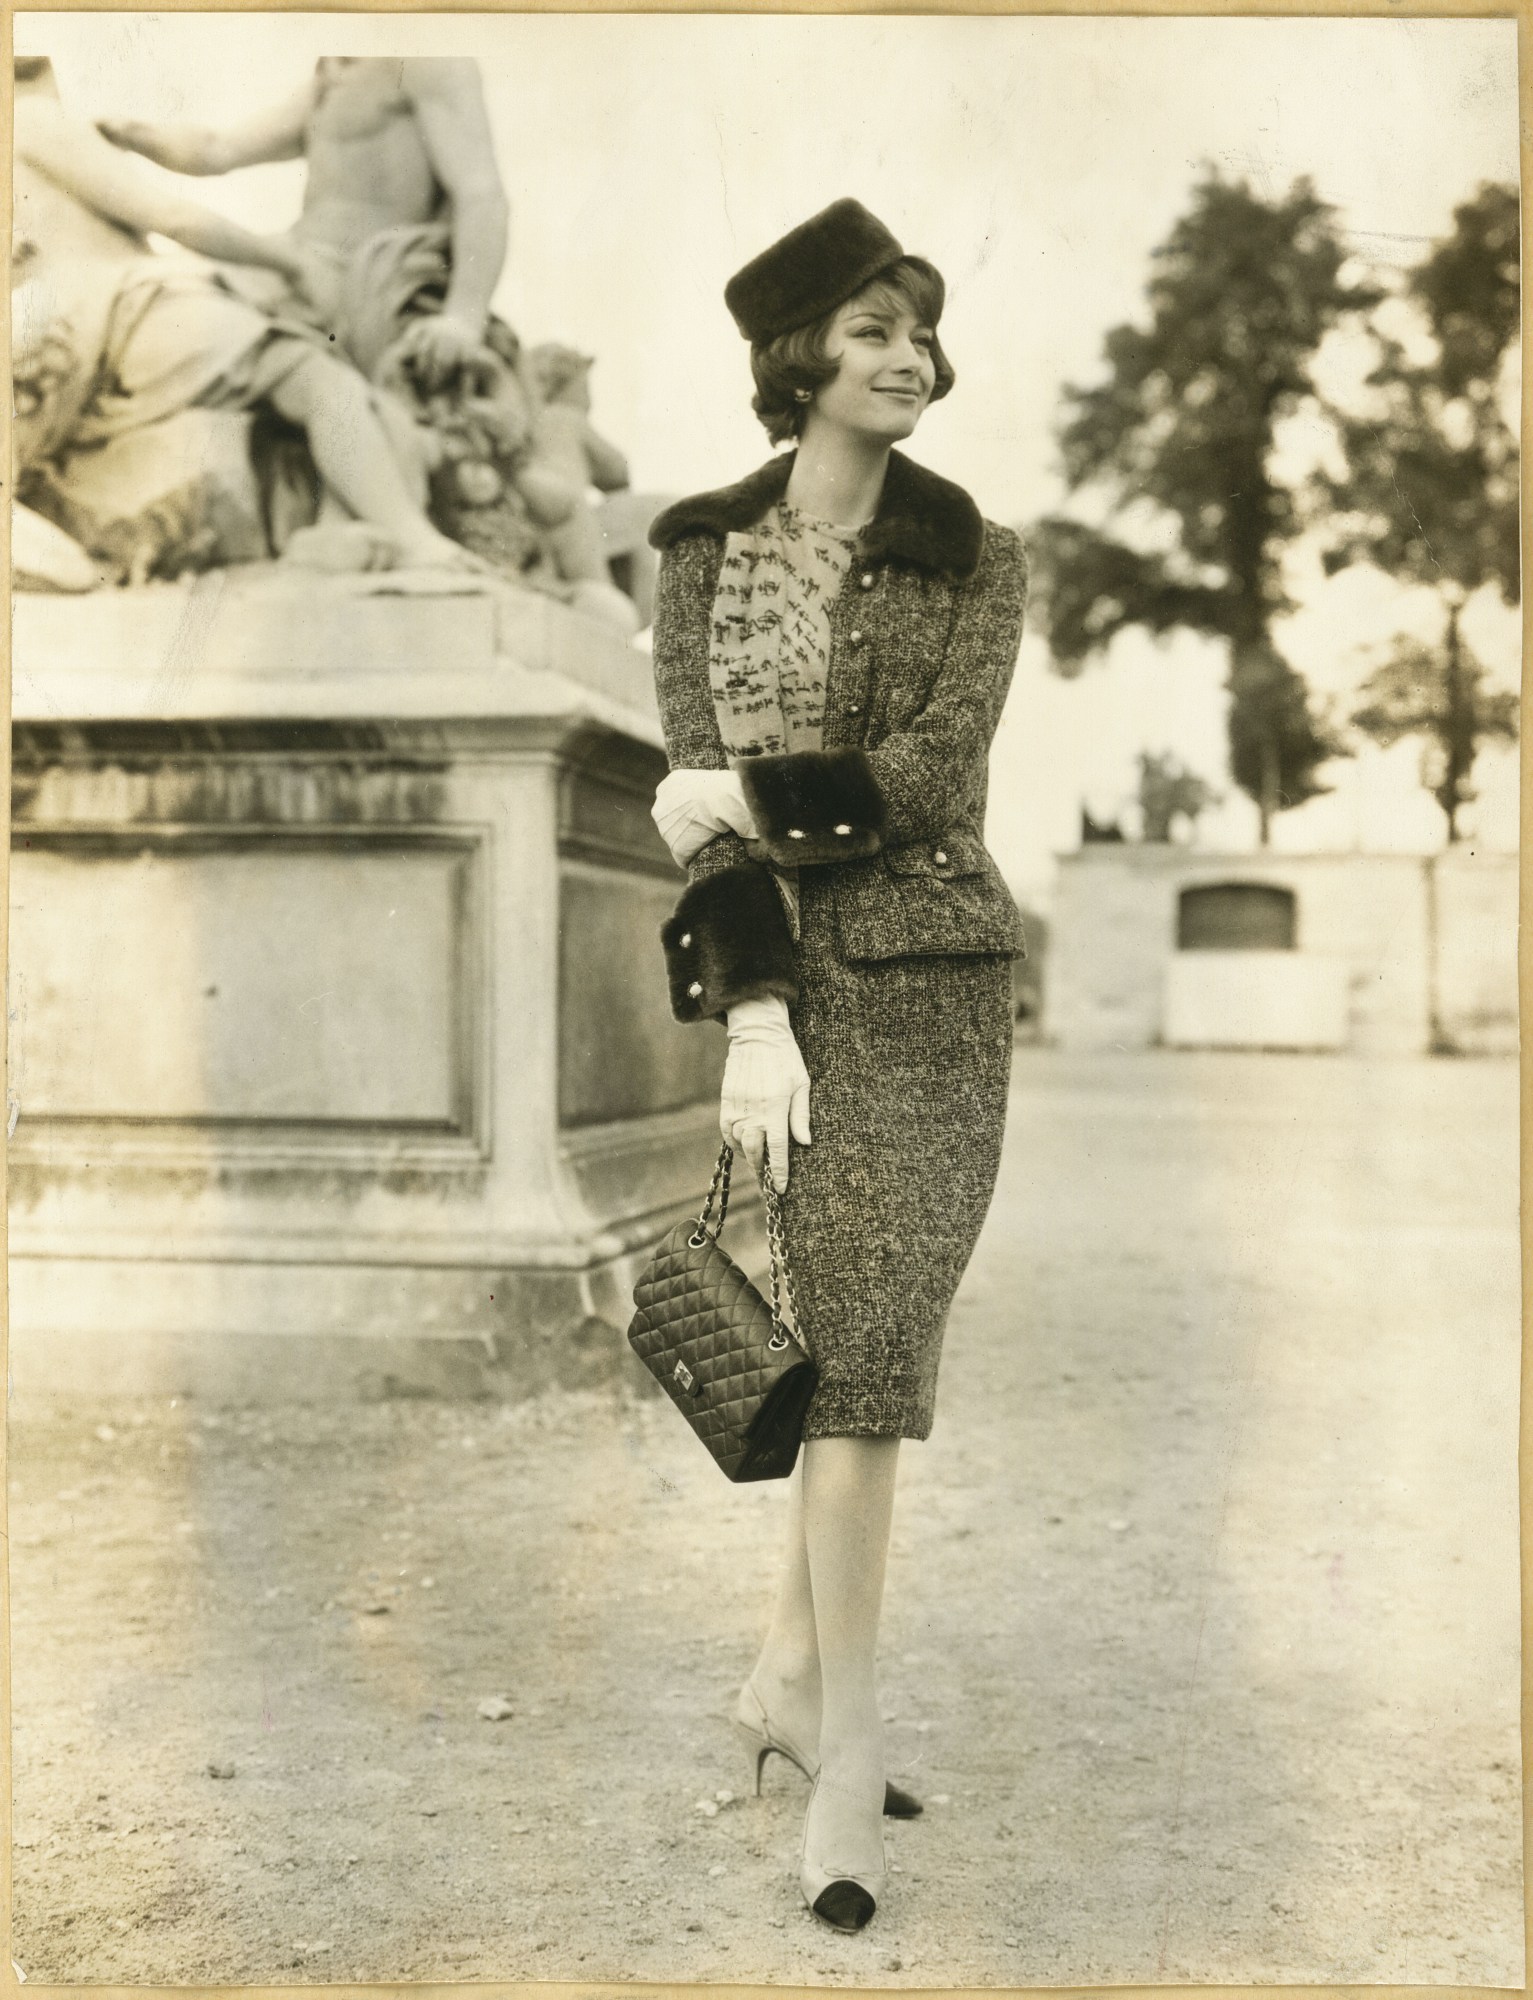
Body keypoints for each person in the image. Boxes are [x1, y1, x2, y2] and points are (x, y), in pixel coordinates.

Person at [644, 199, 1029, 1933]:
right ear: (799, 354)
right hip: (796, 1000)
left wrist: (734, 795)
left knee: (872, 1352)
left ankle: (814, 1707)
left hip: (938, 988)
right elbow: (688, 811)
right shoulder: (695, 556)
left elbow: (933, 779)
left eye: (923, 334)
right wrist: (746, 1014)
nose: (911, 361)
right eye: (875, 329)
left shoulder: (976, 553)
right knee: (853, 1366)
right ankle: (830, 1728)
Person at [13, 55, 475, 574]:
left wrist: (137, 135)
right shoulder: (33, 121)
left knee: (304, 366)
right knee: (316, 377)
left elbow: (217, 149)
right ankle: (412, 539)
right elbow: (174, 216)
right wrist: (290, 261)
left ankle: (338, 528)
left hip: (87, 339)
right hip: (137, 310)